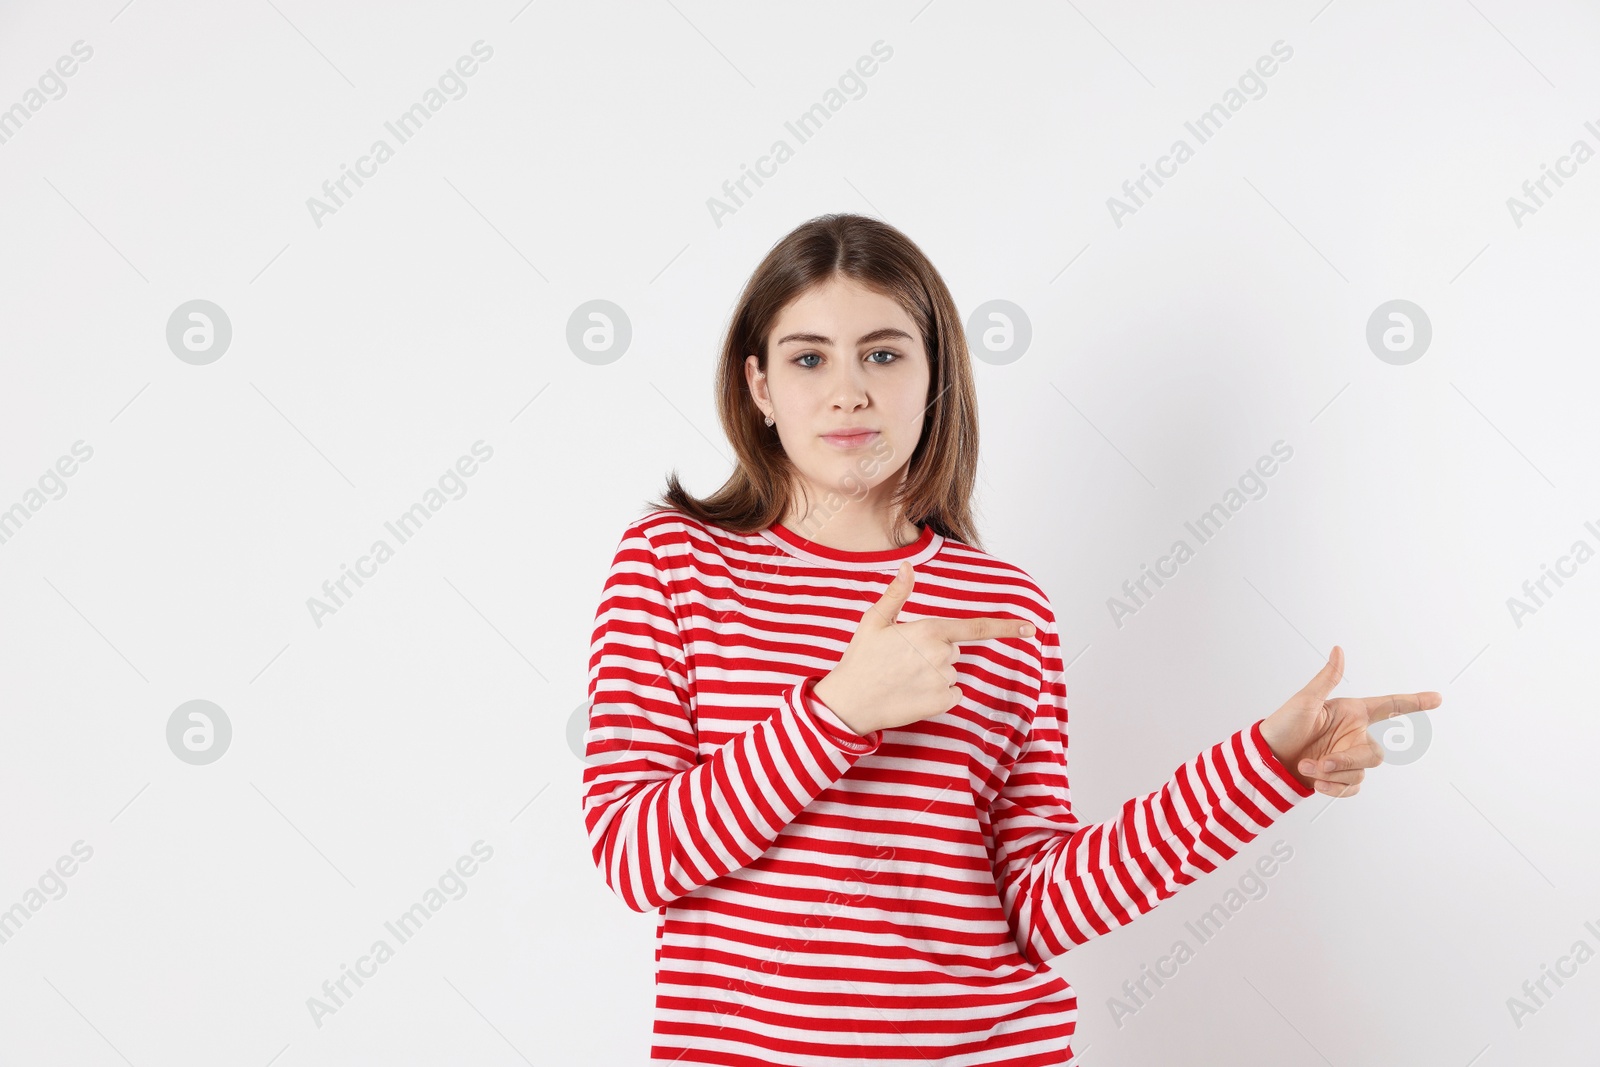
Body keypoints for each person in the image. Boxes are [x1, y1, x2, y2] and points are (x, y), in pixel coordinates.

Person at [579, 213, 1441, 1065]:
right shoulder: (674, 564)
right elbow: (634, 854)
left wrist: (1265, 764)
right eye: (810, 358)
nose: (849, 390)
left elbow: (1038, 900)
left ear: (935, 377)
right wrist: (837, 712)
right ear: (760, 386)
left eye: (883, 353)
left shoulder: (1002, 603)